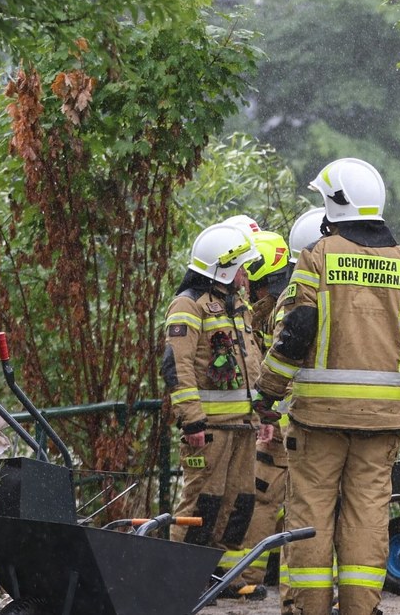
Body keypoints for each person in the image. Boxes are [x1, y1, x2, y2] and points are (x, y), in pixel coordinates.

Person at [254, 158, 400, 615]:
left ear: (335, 204)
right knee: (367, 516)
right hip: (382, 422)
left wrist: (268, 392)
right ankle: (360, 607)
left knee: (312, 514)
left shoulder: (318, 256)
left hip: (318, 419)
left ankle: (310, 608)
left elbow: (297, 328)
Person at [161, 221, 267, 599]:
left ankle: (223, 577)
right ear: (223, 269)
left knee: (238, 503)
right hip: (208, 429)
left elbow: (252, 362)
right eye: (241, 268)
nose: (246, 275)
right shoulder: (188, 305)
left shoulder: (238, 305)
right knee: (201, 503)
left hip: (243, 426)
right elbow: (177, 366)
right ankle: (178, 583)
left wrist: (262, 412)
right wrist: (192, 421)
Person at [235, 229, 293, 589]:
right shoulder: (296, 299)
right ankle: (296, 585)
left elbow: (272, 368)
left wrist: (265, 414)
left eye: (254, 285)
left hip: (279, 425)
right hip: (296, 423)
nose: (250, 292)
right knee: (305, 505)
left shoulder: (277, 308)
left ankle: (246, 577)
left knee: (264, 498)